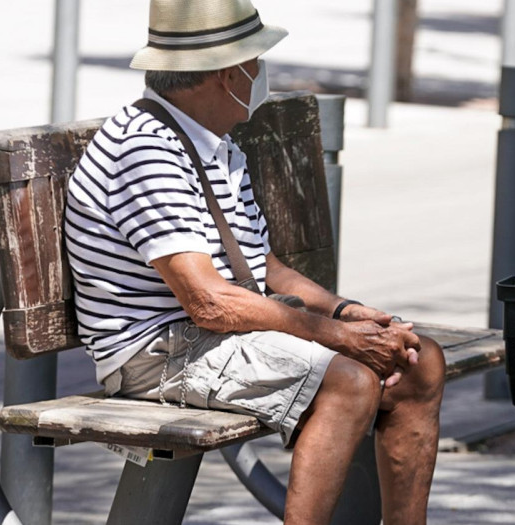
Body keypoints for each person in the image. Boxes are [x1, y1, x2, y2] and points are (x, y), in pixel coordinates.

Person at [63, 1, 446, 523]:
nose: (261, 72)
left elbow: (259, 267)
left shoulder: (211, 143)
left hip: (206, 334)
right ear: (227, 73)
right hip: (155, 352)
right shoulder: (146, 151)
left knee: (420, 360)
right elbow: (208, 302)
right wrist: (337, 337)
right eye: (256, 60)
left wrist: (345, 312)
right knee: (350, 381)